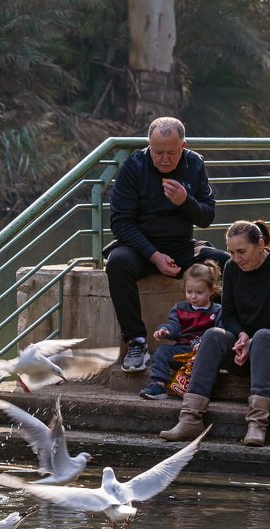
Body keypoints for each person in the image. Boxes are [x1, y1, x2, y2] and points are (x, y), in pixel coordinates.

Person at [160, 220, 270, 447]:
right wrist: (240, 335)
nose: (236, 258)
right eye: (231, 252)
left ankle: (258, 423)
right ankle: (190, 417)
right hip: (246, 349)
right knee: (212, 335)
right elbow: (228, 316)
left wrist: (251, 340)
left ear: (260, 245)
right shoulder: (231, 268)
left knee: (263, 337)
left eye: (242, 251)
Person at [104, 116, 229, 372]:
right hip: (141, 248)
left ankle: (224, 336)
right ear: (148, 145)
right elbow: (120, 222)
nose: (163, 158)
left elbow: (207, 216)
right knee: (117, 263)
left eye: (171, 153)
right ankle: (136, 342)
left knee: (225, 262)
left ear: (183, 146)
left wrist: (185, 201)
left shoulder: (194, 164)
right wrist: (154, 255)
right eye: (157, 152)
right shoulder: (133, 167)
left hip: (183, 246)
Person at [138, 261, 222, 400]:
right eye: (189, 292)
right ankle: (158, 385)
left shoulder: (218, 311)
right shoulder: (180, 308)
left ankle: (199, 390)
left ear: (211, 290)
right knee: (162, 352)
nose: (193, 297)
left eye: (199, 292)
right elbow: (174, 326)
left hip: (202, 356)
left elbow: (220, 333)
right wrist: (165, 330)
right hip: (182, 351)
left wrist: (204, 344)